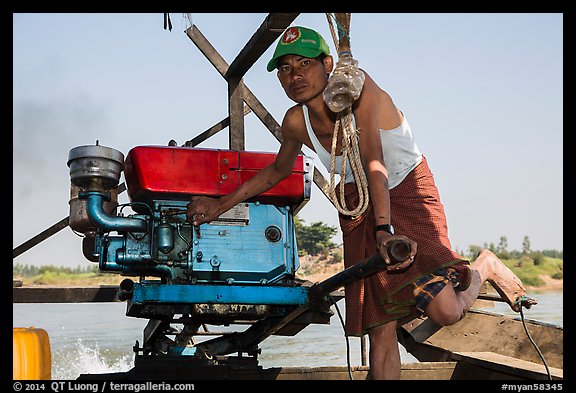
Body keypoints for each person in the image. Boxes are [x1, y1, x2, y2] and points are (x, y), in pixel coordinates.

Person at [186, 25, 536, 380]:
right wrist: (220, 205)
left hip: (405, 187)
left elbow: (374, 163)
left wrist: (383, 230)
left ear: (327, 64)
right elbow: (276, 171)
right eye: (285, 69)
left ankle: (485, 267)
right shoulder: (296, 121)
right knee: (379, 323)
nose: (294, 76)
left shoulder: (358, 89)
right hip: (357, 204)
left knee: (445, 312)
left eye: (304, 64)